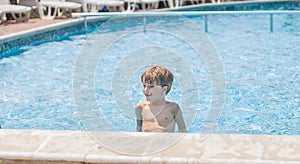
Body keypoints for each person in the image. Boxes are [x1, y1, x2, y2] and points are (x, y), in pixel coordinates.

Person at [135, 66, 187, 133]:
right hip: (147, 142)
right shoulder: (140, 108)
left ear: (164, 89)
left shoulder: (173, 108)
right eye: (144, 86)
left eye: (151, 86)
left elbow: (183, 131)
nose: (145, 90)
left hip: (166, 142)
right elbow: (138, 130)